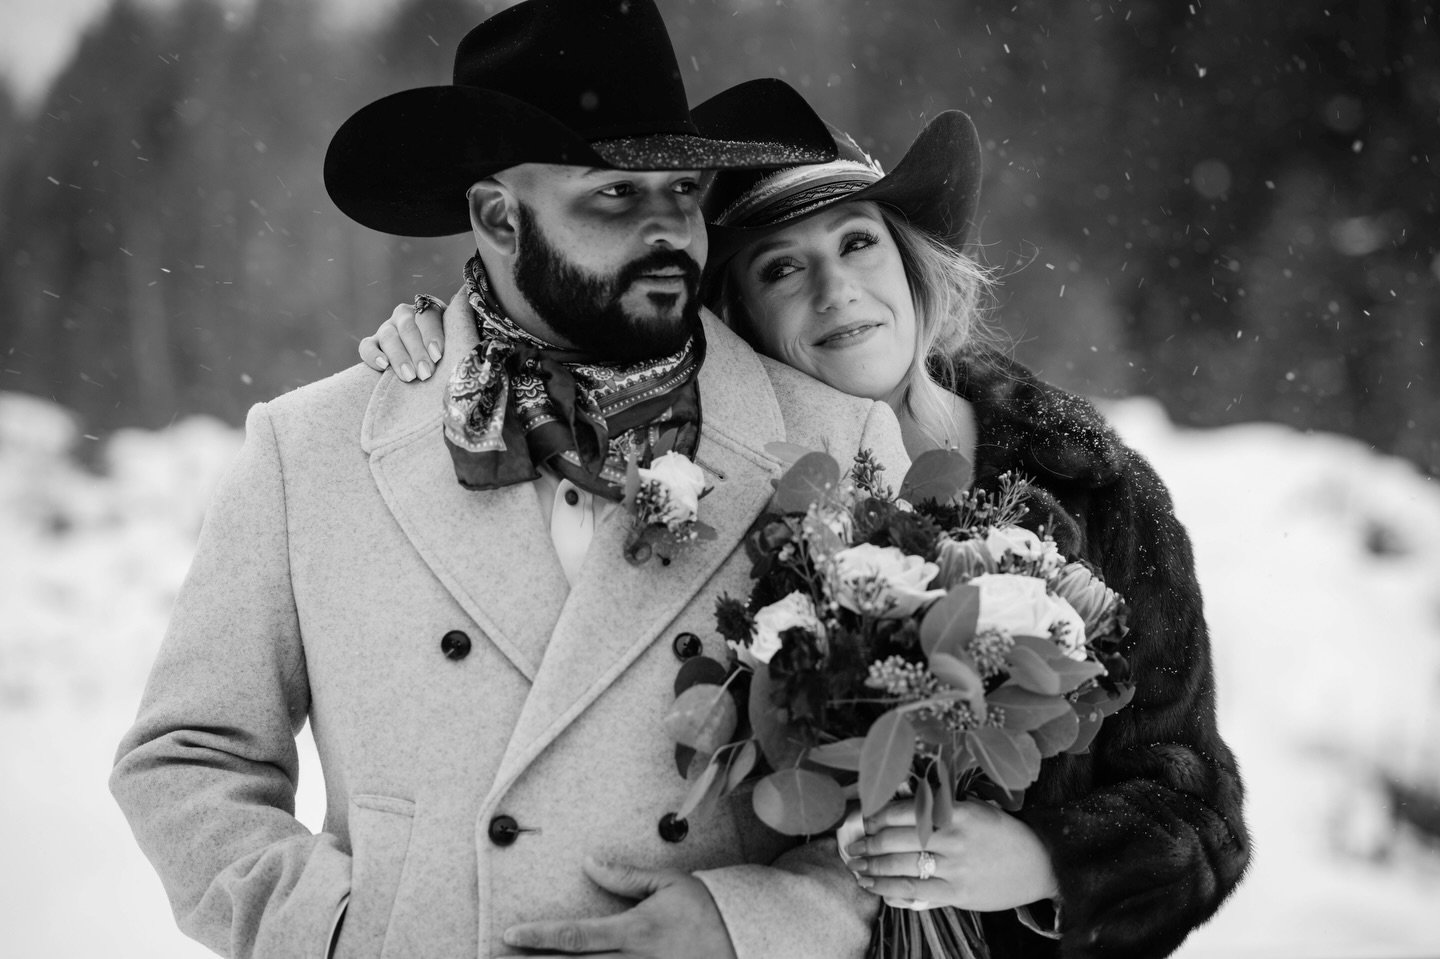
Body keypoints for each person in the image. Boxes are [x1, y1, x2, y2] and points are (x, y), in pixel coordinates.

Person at [109, 2, 919, 957]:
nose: (671, 230)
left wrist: (755, 922)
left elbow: (911, 781)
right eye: (617, 194)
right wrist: (342, 931)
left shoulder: (834, 438)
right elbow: (187, 759)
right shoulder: (309, 449)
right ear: (498, 214)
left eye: (685, 189)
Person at [365, 106, 1251, 957]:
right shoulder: (700, 478)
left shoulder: (1087, 483)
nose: (836, 293)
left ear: (911, 263)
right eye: (782, 268)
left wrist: (1043, 862)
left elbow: (1199, 808)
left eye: (857, 243)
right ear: (737, 317)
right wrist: (449, 338)